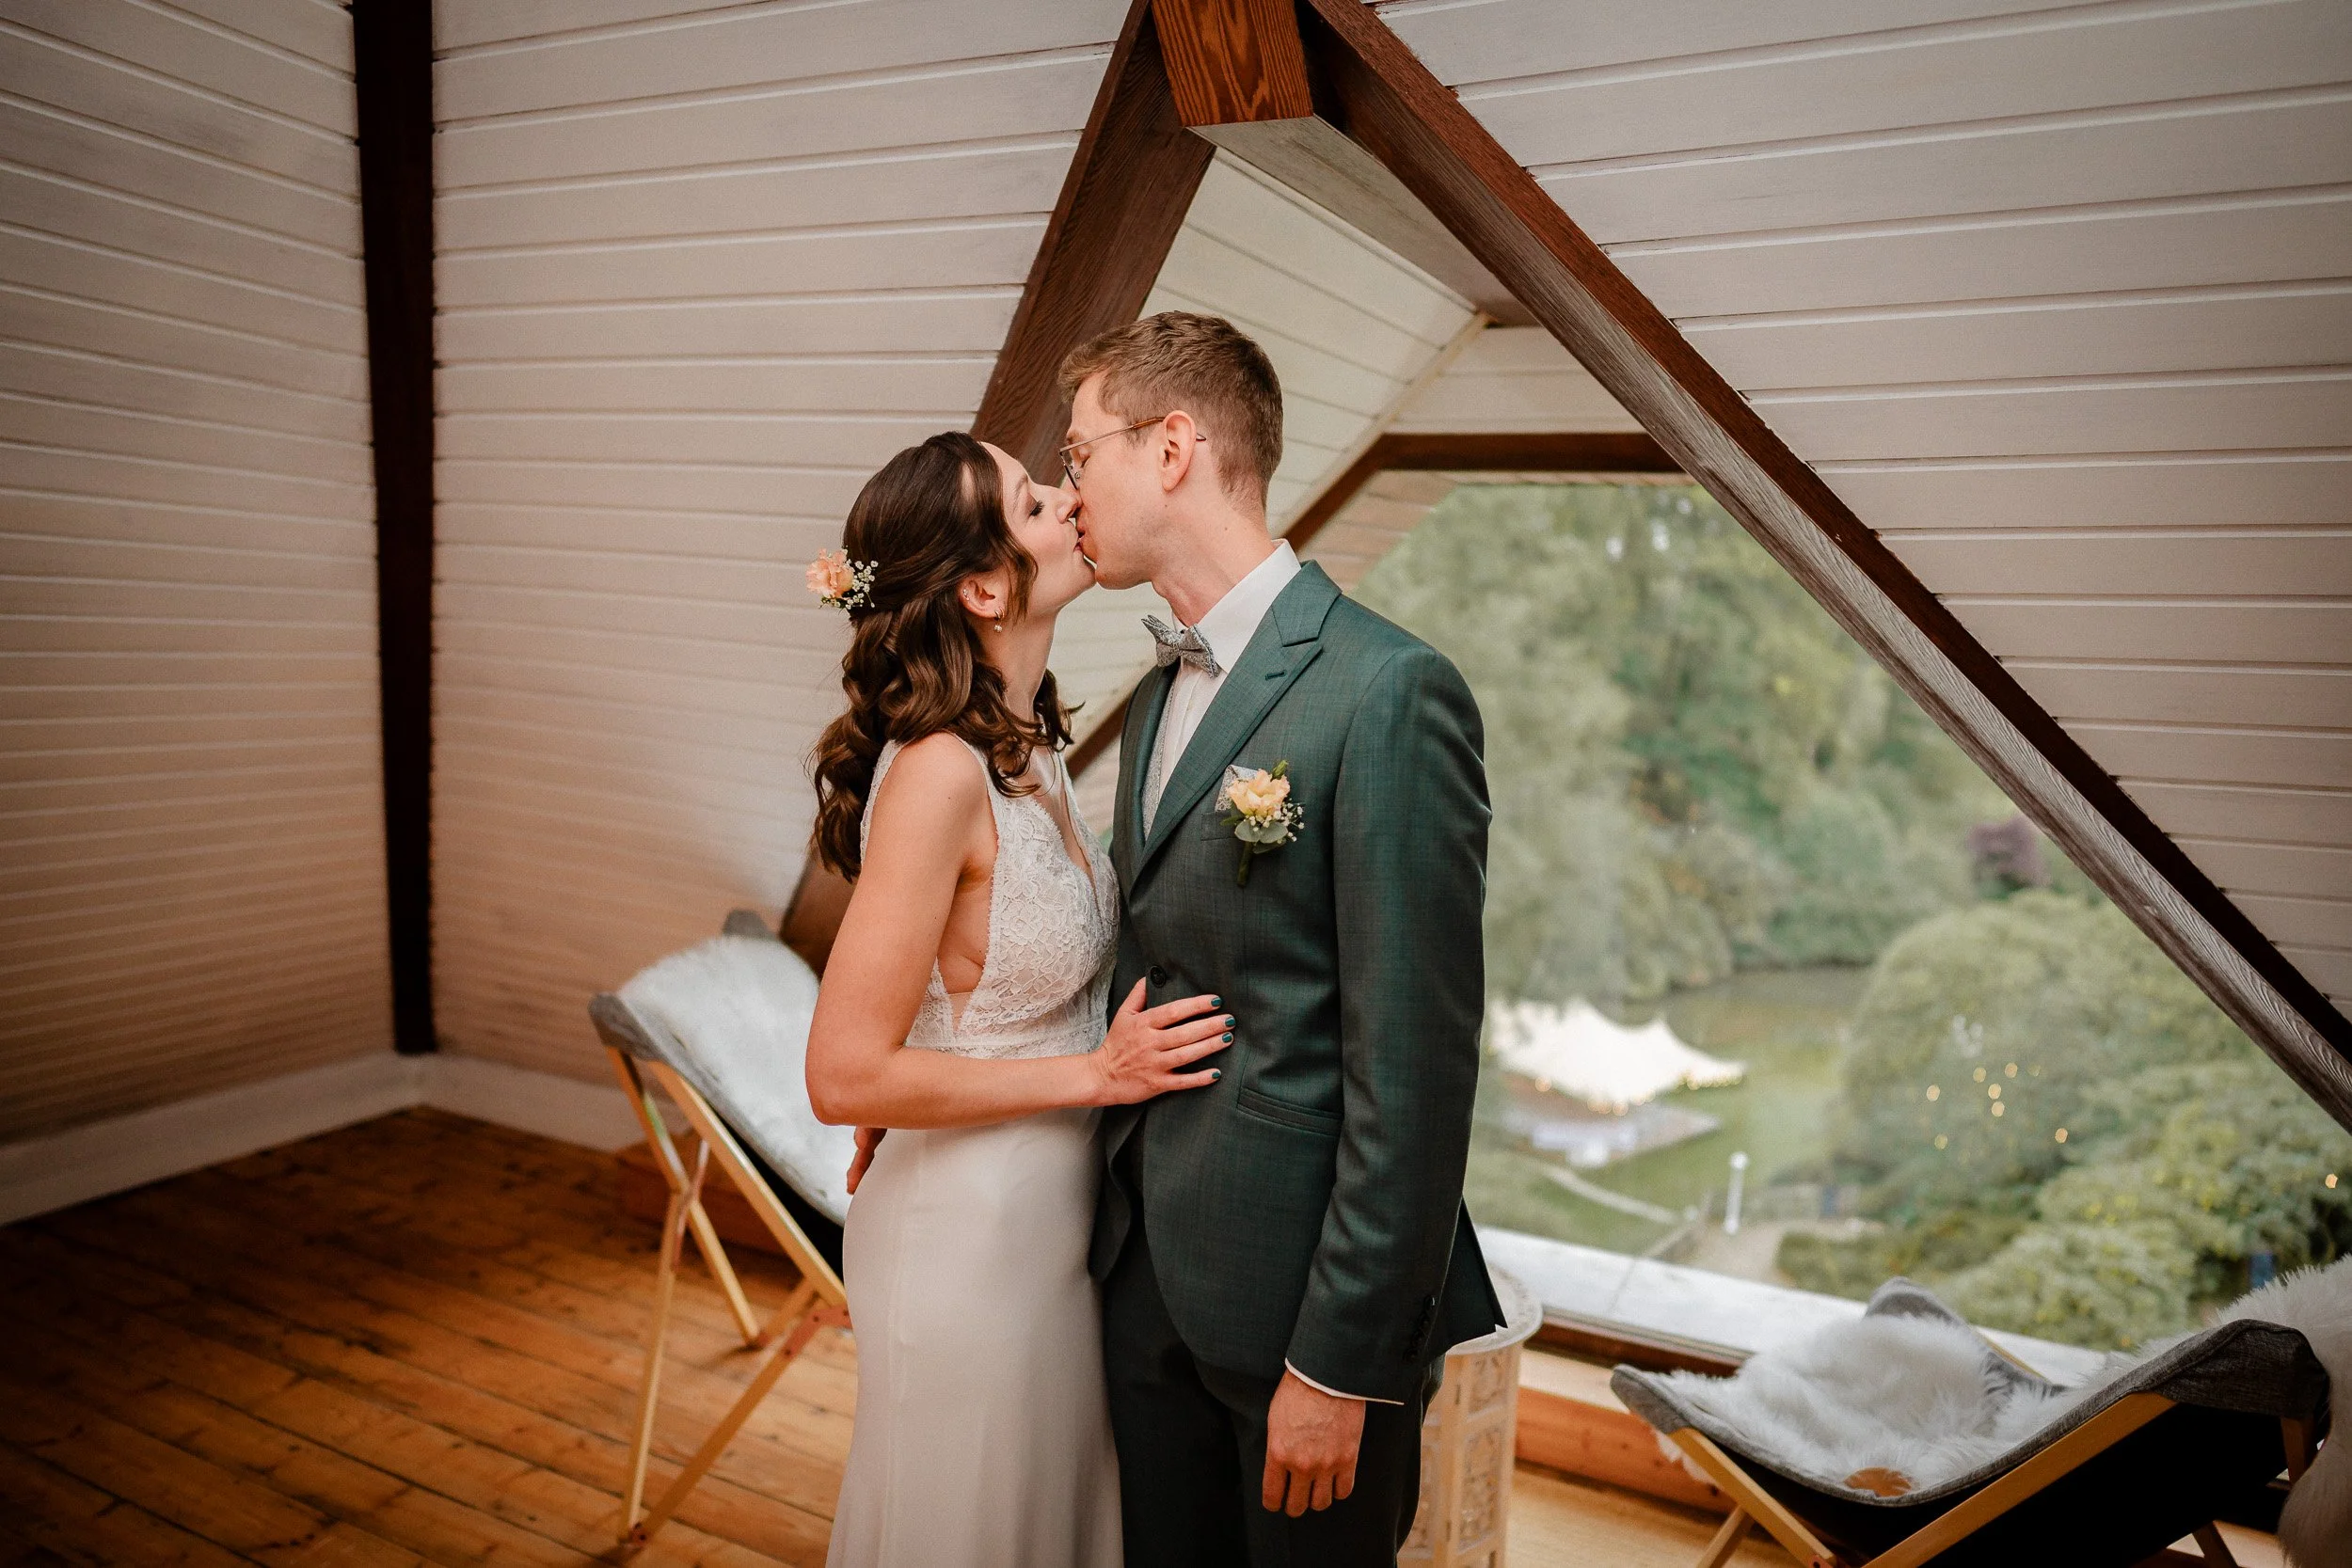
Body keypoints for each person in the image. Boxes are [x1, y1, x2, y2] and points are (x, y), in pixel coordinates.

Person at [1064, 312, 1502, 1565]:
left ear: (1172, 447)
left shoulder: (1388, 688)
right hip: (1141, 1275)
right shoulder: (1157, 692)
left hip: (1297, 1315)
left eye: (1081, 452)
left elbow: (1414, 1070)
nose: (1067, 488)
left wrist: (1340, 1361)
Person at [802, 431, 1230, 1568]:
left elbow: (970, 996)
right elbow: (841, 1071)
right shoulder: (938, 771)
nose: (1068, 496)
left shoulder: (1023, 745)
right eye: (1034, 501)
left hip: (1045, 1226)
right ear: (986, 589)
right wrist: (1096, 1072)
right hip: (963, 1238)